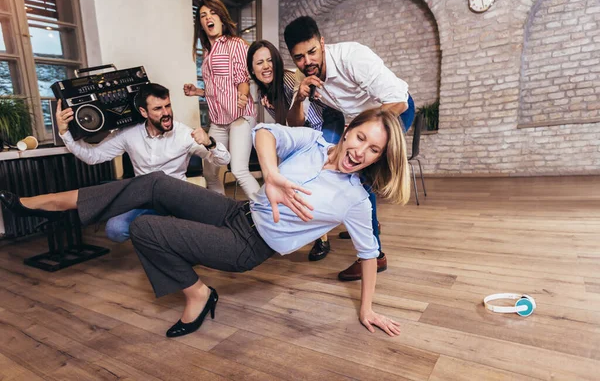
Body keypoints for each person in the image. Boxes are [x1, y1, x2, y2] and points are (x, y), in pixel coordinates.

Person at [1, 108, 410, 339]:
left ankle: (198, 294)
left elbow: (369, 253)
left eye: (374, 150)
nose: (361, 152)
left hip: (250, 246)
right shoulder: (314, 141)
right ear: (349, 130)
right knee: (157, 183)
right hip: (239, 212)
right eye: (360, 138)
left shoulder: (356, 198)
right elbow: (264, 133)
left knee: (143, 230)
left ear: (378, 158)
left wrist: (367, 309)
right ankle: (41, 205)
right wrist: (270, 175)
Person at [284, 16, 416, 281]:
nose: (307, 61)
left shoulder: (353, 57)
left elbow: (398, 101)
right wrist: (299, 96)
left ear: (322, 43)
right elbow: (296, 124)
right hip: (358, 124)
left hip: (394, 111)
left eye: (312, 51)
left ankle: (375, 255)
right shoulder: (305, 76)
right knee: (346, 167)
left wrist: (356, 134)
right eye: (299, 57)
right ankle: (368, 223)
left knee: (359, 174)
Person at [55, 82, 230, 242]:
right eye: (158, 109)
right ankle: (159, 233)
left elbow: (223, 159)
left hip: (178, 198)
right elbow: (92, 156)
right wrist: (65, 133)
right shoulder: (128, 134)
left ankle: (172, 235)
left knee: (208, 227)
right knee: (115, 229)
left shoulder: (184, 134)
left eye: (168, 106)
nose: (166, 113)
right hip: (146, 200)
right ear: (144, 112)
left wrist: (210, 143)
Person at [247, 39, 346, 261]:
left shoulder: (290, 79)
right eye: (259, 62)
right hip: (302, 129)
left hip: (324, 122)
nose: (266, 66)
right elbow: (286, 127)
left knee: (323, 171)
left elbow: (301, 122)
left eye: (270, 60)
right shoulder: (265, 96)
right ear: (252, 69)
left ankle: (323, 236)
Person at [183, 0, 259, 199]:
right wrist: (198, 92)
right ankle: (224, 214)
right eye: (203, 15)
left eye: (212, 13)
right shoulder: (208, 52)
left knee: (239, 170)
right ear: (200, 22)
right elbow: (218, 88)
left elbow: (242, 79)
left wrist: (243, 96)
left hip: (239, 117)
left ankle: (266, 216)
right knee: (210, 172)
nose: (208, 17)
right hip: (218, 120)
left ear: (222, 17)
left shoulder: (234, 44)